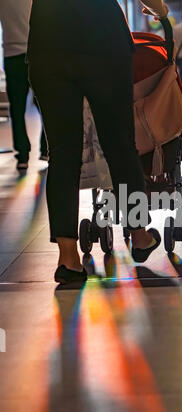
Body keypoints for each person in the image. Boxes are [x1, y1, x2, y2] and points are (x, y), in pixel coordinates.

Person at [27, 0, 169, 284]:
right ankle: (140, 236)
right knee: (120, 145)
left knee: (63, 152)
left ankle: (68, 258)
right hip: (103, 43)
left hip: (48, 44)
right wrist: (159, 10)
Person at [0, 0, 48, 171]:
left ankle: (22, 155)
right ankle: (46, 147)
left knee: (17, 109)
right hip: (35, 51)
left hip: (12, 55)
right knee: (45, 103)